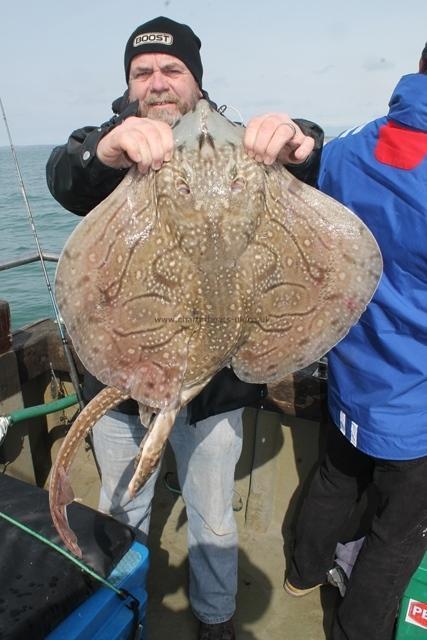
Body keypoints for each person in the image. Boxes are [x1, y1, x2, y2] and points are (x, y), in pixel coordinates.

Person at [46, 17, 323, 640]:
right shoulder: (108, 143)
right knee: (123, 508)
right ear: (128, 85)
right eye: (142, 72)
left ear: (197, 80)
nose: (157, 82)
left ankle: (216, 616)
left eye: (172, 69)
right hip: (120, 373)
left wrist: (304, 138)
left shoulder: (235, 149)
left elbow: (302, 163)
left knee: (215, 519)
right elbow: (68, 175)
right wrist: (105, 150)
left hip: (216, 387)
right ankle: (121, 610)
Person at [284, 43, 427, 640]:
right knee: (398, 537)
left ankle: (300, 571)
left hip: (351, 376)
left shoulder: (349, 147)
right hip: (415, 407)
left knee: (335, 479)